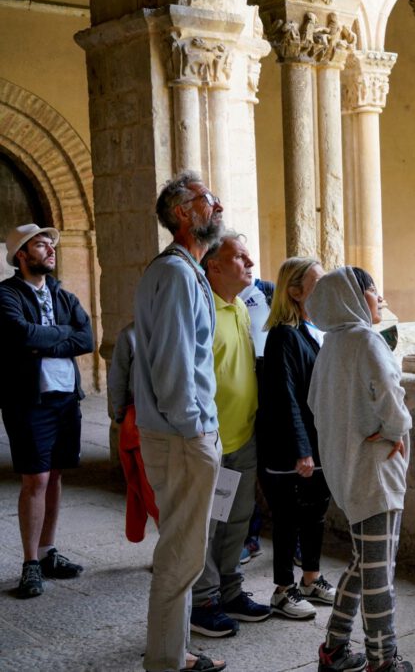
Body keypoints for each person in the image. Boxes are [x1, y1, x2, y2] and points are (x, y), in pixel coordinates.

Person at [133, 171, 226, 672]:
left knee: (184, 548)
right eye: (209, 200)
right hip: (180, 435)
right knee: (182, 553)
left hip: (178, 432)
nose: (219, 206)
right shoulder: (173, 273)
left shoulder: (181, 271)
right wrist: (196, 432)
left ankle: (173, 649)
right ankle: (167, 659)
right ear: (185, 214)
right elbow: (173, 365)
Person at [308, 267, 414, 672]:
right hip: (376, 473)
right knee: (379, 574)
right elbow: (391, 398)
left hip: (345, 470)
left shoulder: (331, 344)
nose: (379, 298)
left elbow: (316, 404)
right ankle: (382, 660)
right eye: (372, 291)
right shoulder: (366, 340)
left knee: (361, 562)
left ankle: (334, 649)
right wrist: (395, 429)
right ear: (352, 296)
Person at [0, 223, 93, 600]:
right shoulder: (5, 295)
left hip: (66, 399)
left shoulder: (63, 294)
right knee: (34, 480)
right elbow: (21, 336)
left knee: (55, 477)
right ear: (22, 254)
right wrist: (62, 335)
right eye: (41, 245)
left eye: (51, 245)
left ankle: (47, 551)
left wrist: (45, 340)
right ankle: (29, 564)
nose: (50, 250)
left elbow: (85, 338)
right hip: (29, 402)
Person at [189, 232, 271, 638]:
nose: (250, 263)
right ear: (214, 266)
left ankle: (229, 589)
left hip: (243, 434)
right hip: (211, 439)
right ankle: (203, 602)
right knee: (208, 523)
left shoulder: (238, 306)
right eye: (240, 257)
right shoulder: (200, 308)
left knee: (236, 519)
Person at [256, 257, 337, 620]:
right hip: (290, 447)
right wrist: (301, 450)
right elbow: (284, 396)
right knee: (288, 517)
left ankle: (311, 578)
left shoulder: (312, 331)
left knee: (315, 513)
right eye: (317, 284)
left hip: (316, 443)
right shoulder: (283, 336)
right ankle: (282, 590)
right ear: (294, 291)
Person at [108, 321, 159, 542]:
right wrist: (119, 413)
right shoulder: (130, 333)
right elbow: (118, 377)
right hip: (139, 419)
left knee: (153, 489)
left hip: (160, 419)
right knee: (148, 487)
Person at [239, 276, 275, 562]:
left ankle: (294, 541)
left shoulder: (267, 291)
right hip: (237, 398)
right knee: (240, 473)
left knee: (273, 470)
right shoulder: (212, 297)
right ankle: (248, 538)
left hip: (268, 390)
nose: (248, 262)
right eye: (240, 256)